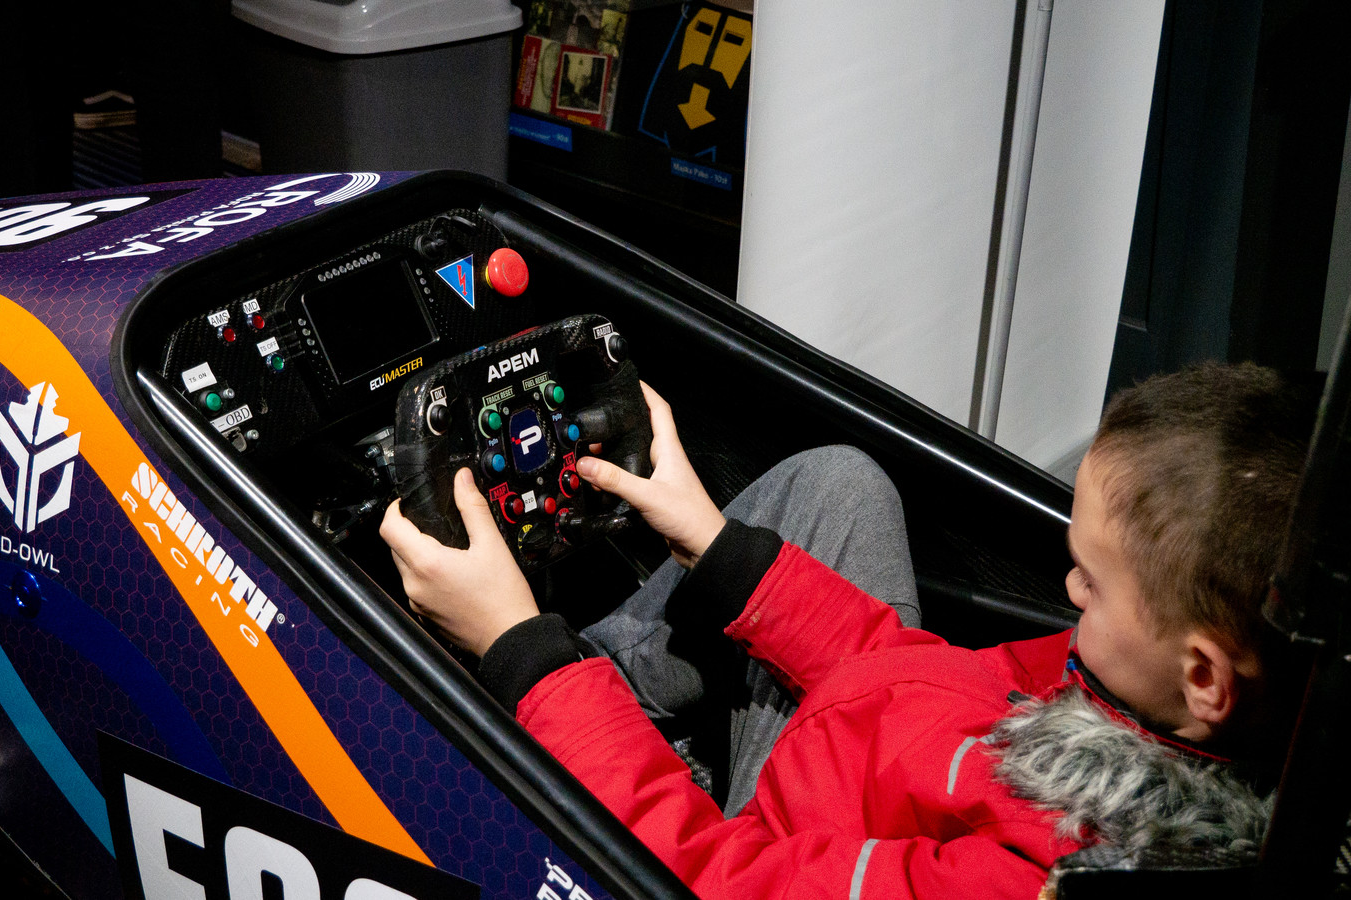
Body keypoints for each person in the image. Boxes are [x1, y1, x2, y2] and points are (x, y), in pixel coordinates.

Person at [380, 364, 1309, 898]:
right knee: (840, 481)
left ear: (1205, 678)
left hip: (731, 857)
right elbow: (922, 681)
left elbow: (711, 881)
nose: (1066, 589)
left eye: (1092, 584)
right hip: (850, 767)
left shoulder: (1029, 880)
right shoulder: (1137, 689)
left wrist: (523, 650)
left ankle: (537, 695)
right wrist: (716, 547)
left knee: (503, 684)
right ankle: (592, 689)